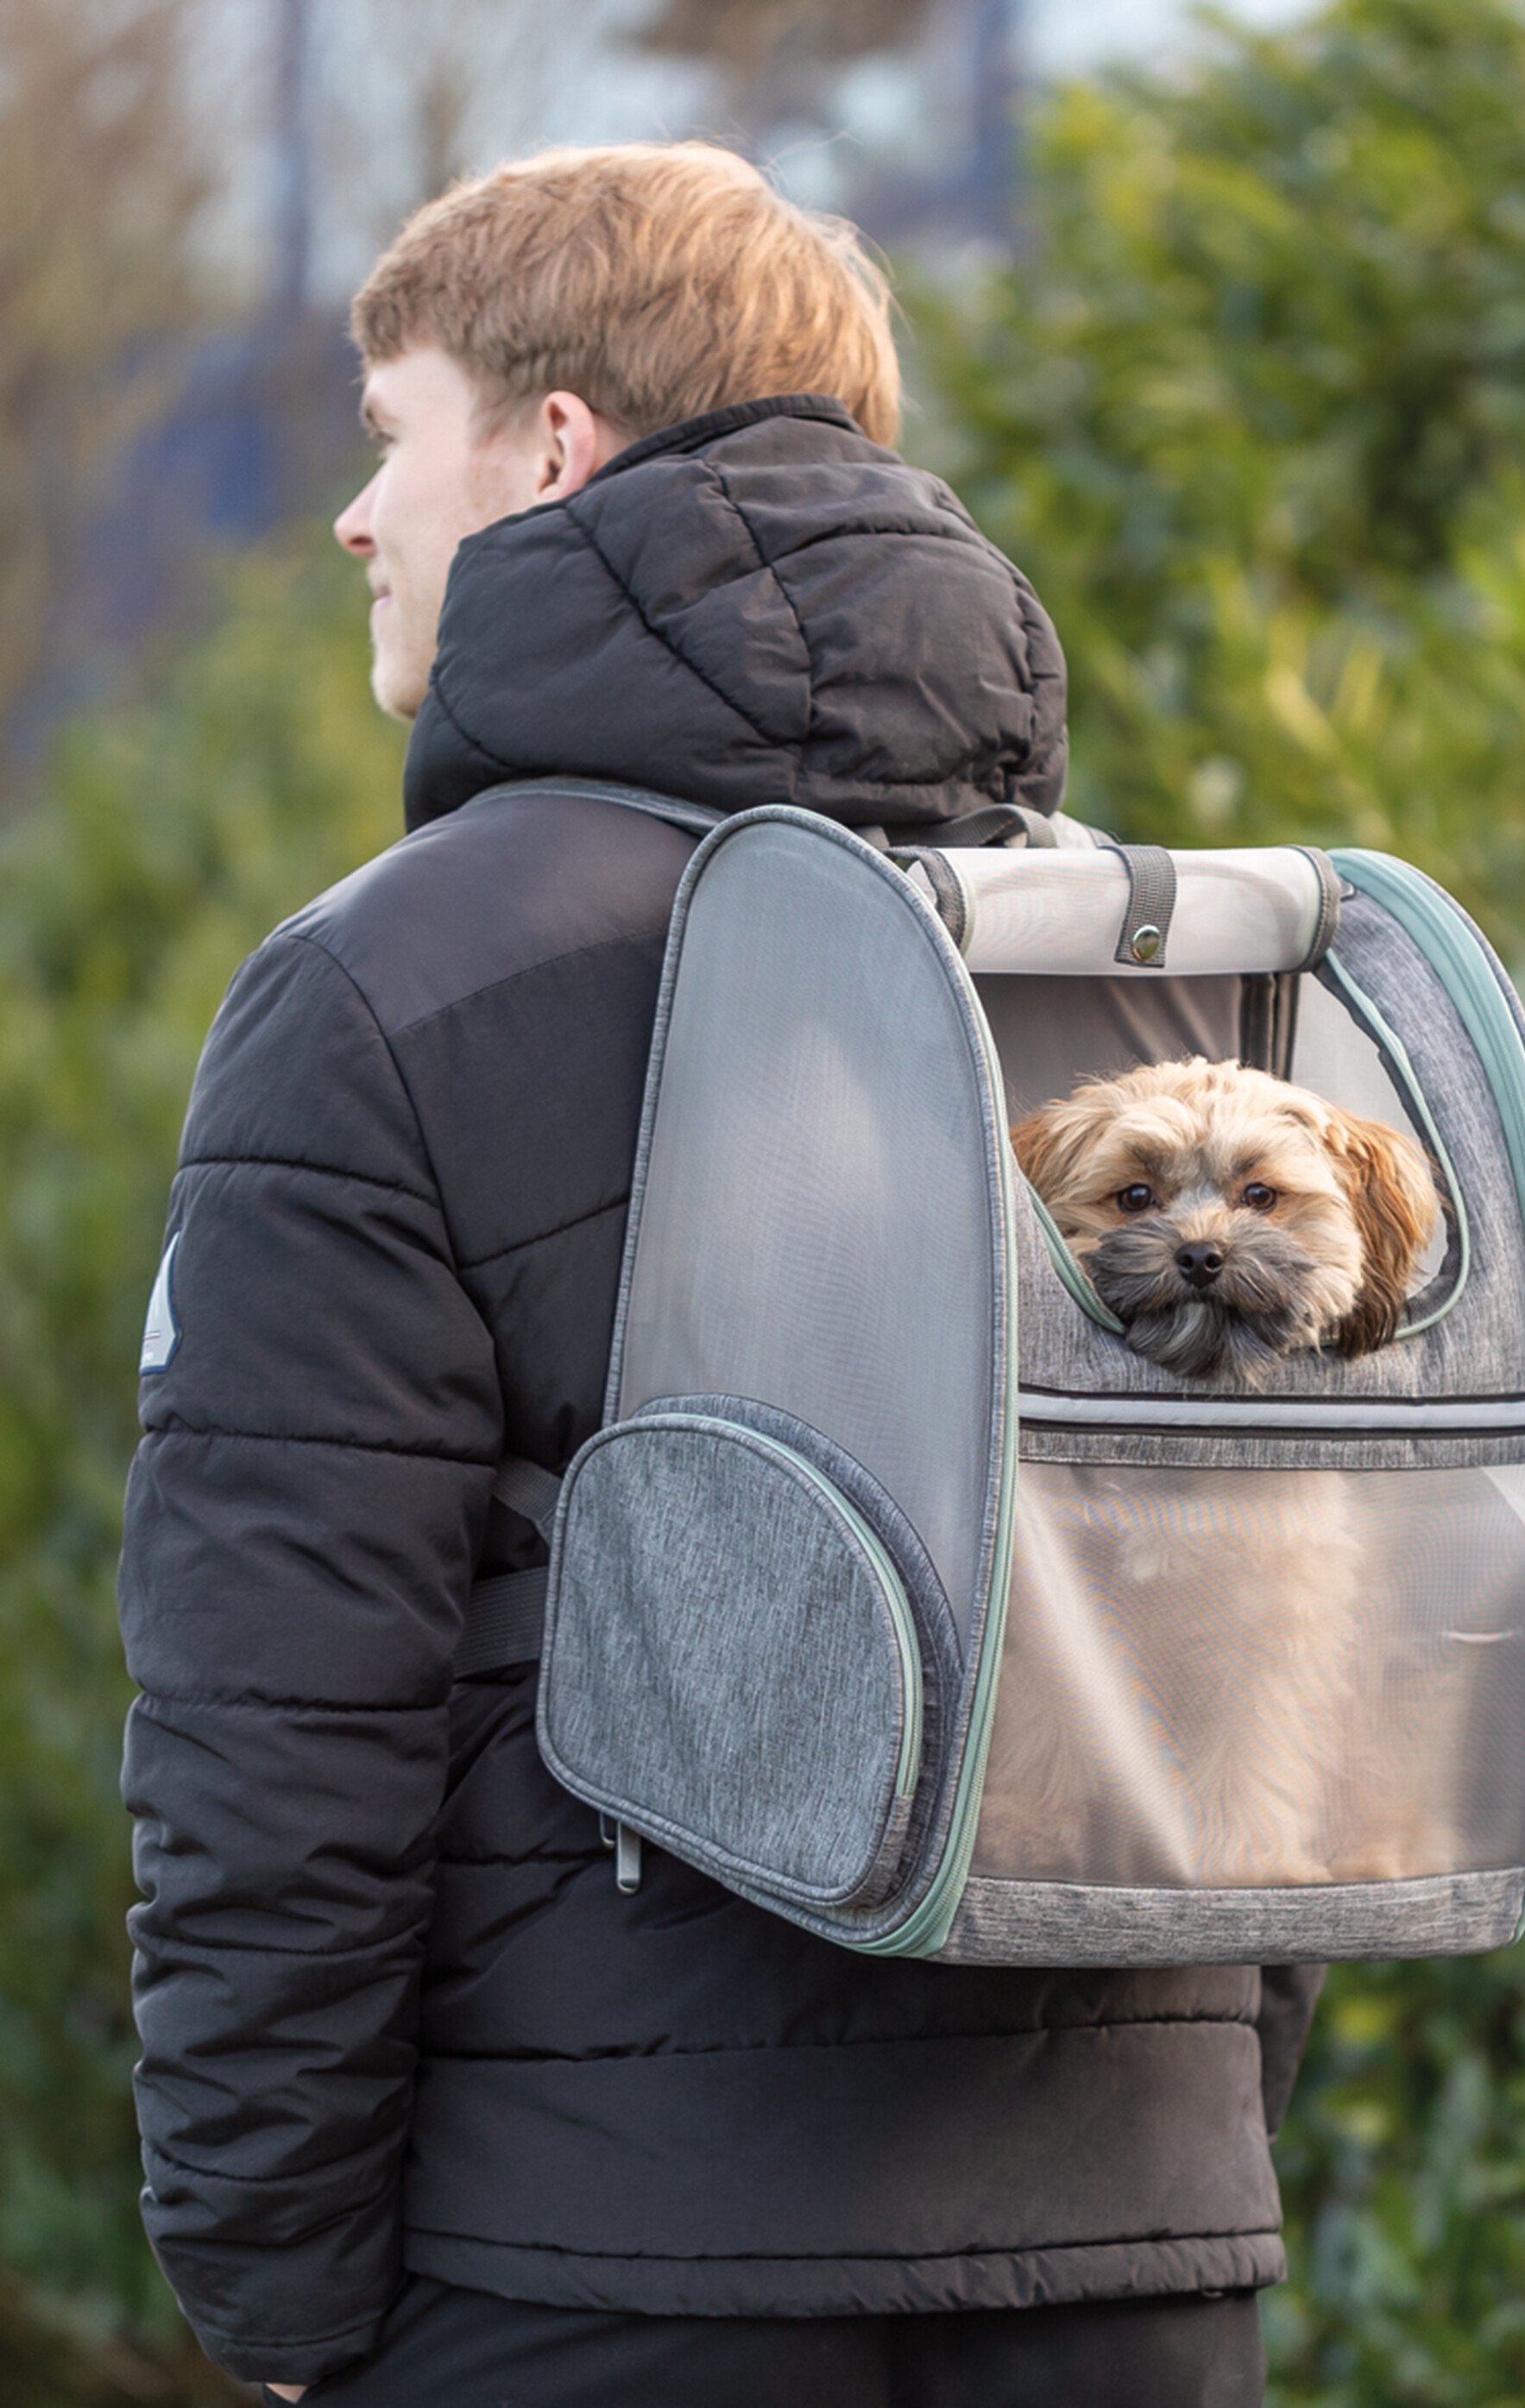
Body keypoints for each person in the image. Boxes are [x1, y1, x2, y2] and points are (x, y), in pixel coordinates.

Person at [117, 141, 1322, 2408]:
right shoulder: (1130, 957)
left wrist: (275, 2297)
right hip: (1129, 2267)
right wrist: (1172, 2155)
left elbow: (277, 1733)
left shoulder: (386, 991)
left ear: (555, 448)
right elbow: (1249, 1618)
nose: (357, 524)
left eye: (395, 441)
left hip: (587, 2277)